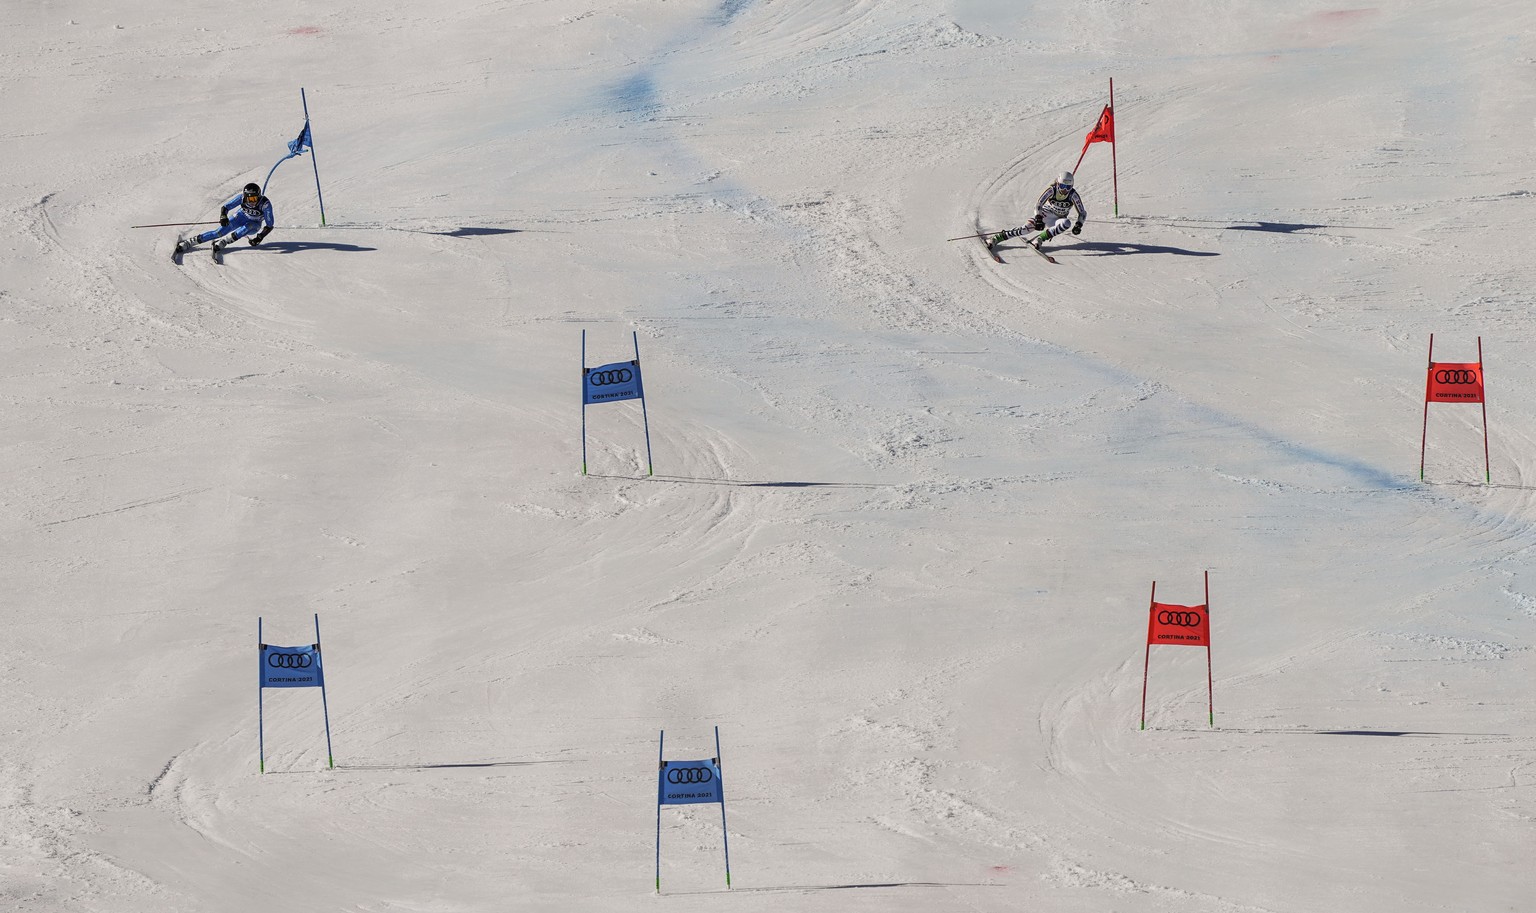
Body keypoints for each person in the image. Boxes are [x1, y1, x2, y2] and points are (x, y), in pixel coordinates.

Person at [989, 171, 1086, 252]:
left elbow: (1082, 212)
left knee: (1066, 223)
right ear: (1058, 183)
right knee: (1025, 229)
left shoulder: (1073, 195)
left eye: (1068, 187)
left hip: (1057, 220)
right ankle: (997, 238)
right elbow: (1038, 204)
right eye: (1062, 186)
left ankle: (1039, 239)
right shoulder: (1052, 190)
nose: (1065, 190)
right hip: (1046, 214)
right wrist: (1038, 218)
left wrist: (1079, 224)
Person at [175, 183, 274, 256]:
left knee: (248, 226)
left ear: (259, 196)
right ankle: (189, 242)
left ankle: (224, 241)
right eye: (249, 199)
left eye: (254, 199)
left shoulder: (265, 204)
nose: (251, 202)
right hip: (240, 217)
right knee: (218, 232)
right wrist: (223, 216)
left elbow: (269, 225)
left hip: (255, 224)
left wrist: (260, 237)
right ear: (245, 197)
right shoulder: (241, 198)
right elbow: (226, 207)